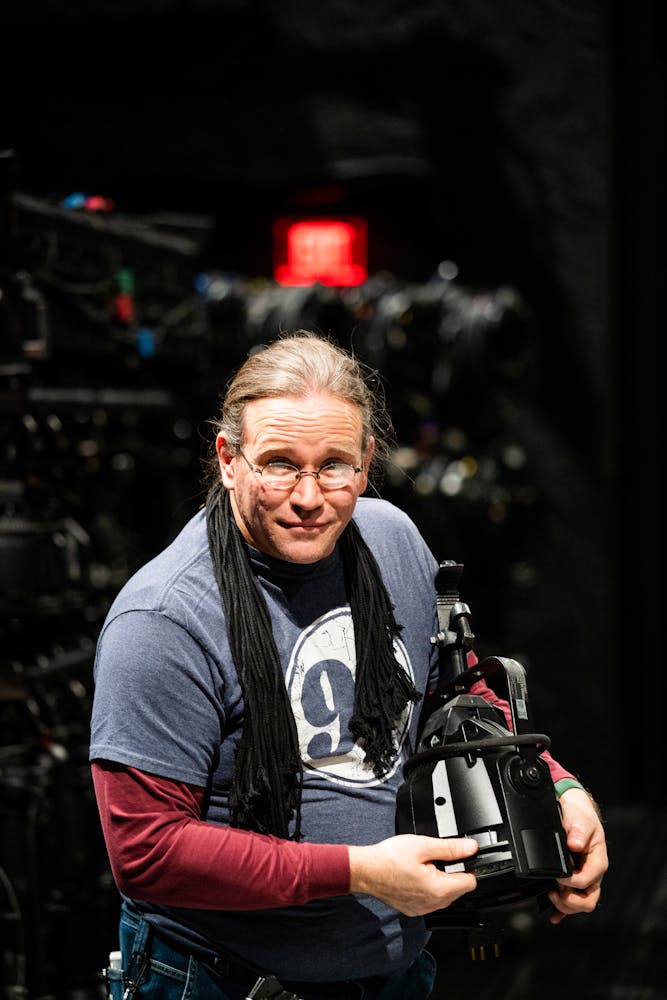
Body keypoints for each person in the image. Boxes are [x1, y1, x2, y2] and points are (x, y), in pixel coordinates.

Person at [89, 330, 608, 1000]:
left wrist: (559, 789)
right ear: (227, 460)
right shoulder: (163, 619)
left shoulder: (392, 540)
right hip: (216, 978)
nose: (308, 497)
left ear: (366, 463)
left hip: (391, 972)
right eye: (279, 464)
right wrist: (359, 872)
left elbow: (454, 694)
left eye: (333, 464)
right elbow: (147, 853)